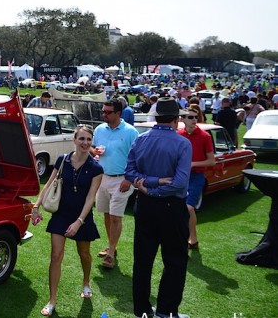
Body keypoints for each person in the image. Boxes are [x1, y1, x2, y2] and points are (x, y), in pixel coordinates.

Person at [125, 97, 193, 318]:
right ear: (176, 119)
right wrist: (155, 184)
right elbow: (180, 182)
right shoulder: (182, 143)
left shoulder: (141, 139)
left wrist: (148, 186)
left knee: (143, 261)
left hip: (145, 205)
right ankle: (166, 310)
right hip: (170, 207)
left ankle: (142, 310)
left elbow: (131, 173)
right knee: (174, 260)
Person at [32, 124, 103, 316]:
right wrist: (36, 206)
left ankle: (86, 281)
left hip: (82, 217)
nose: (85, 143)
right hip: (61, 214)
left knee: (84, 254)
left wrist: (79, 221)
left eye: (89, 139)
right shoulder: (62, 160)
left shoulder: (96, 168)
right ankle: (52, 300)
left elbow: (91, 198)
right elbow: (48, 185)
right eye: (81, 138)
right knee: (56, 256)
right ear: (74, 139)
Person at [92, 99, 139, 269]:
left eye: (108, 112)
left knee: (115, 216)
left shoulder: (131, 132)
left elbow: (137, 158)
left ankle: (110, 253)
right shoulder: (99, 129)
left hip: (122, 179)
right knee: (106, 214)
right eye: (103, 112)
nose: (104, 114)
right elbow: (92, 147)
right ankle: (112, 245)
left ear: (118, 113)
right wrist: (94, 151)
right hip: (102, 177)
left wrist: (129, 178)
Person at [178, 104, 214, 250]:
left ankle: (186, 240)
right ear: (183, 119)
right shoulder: (179, 134)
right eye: (190, 117)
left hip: (196, 176)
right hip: (180, 175)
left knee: (188, 207)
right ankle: (193, 240)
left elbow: (212, 161)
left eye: (196, 117)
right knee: (182, 208)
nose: (194, 120)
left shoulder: (205, 136)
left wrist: (193, 164)